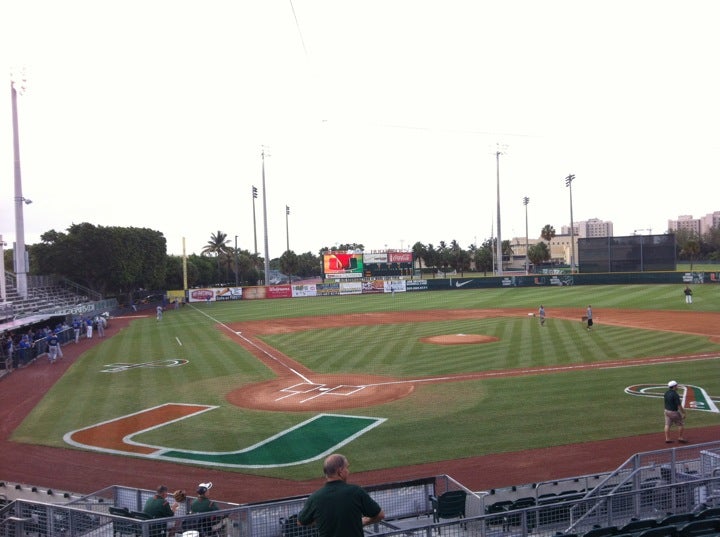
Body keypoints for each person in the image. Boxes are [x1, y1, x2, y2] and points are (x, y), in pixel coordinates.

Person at [298, 453, 384, 537]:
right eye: (346, 467)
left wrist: (321, 519)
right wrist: (364, 521)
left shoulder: (315, 497)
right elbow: (380, 515)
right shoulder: (355, 491)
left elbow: (301, 521)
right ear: (340, 471)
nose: (348, 471)